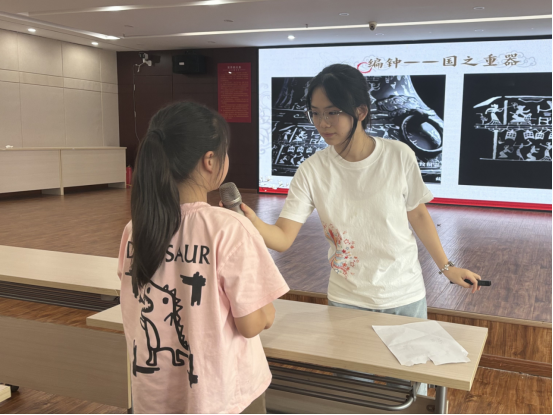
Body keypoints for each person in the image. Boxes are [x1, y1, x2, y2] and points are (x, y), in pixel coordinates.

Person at [235, 64, 482, 333]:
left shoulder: (399, 155)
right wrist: (251, 221)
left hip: (404, 295)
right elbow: (282, 238)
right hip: (346, 300)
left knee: (408, 362)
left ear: (361, 112)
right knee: (350, 362)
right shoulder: (311, 170)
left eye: (333, 112)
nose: (322, 123)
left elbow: (418, 214)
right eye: (315, 113)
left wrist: (447, 267)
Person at [118, 102, 289, 414]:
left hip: (152, 397)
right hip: (223, 397)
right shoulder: (229, 228)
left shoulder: (134, 230)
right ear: (210, 161)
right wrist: (268, 312)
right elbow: (252, 323)